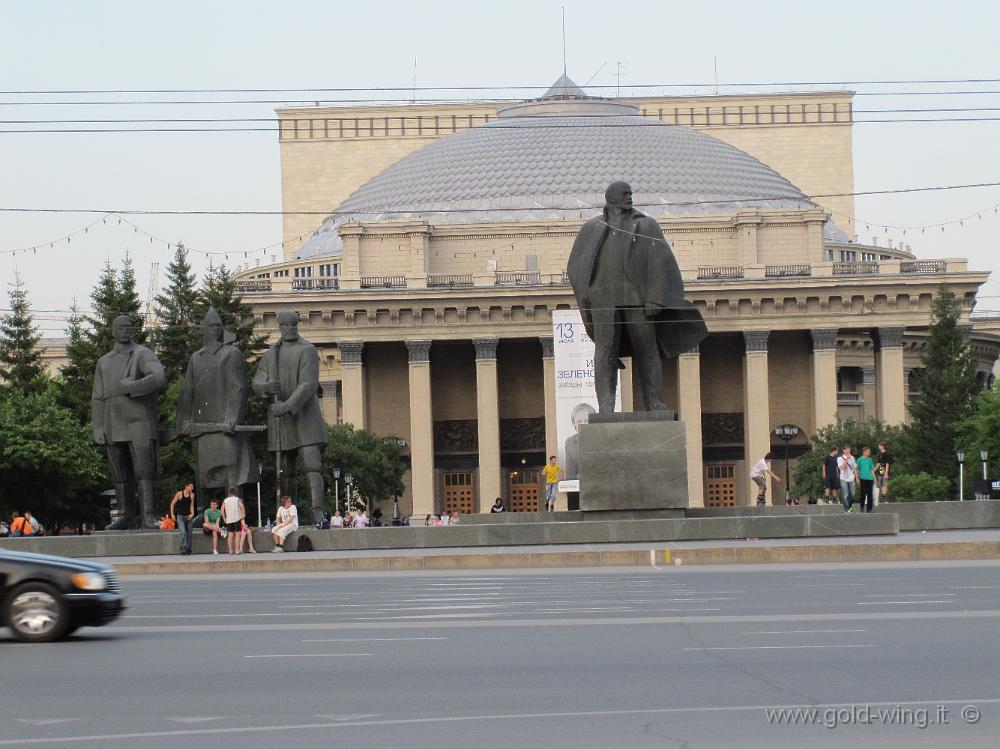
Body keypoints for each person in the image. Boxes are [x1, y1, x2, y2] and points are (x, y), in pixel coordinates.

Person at [567, 181, 707, 414]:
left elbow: (660, 262)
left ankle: (653, 401)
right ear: (611, 197)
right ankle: (606, 406)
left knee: (647, 351)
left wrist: (654, 298)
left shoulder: (646, 225)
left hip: (637, 299)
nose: (629, 197)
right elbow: (576, 265)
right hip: (603, 300)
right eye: (625, 194)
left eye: (630, 194)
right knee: (604, 354)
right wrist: (587, 294)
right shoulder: (591, 228)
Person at [252, 311, 328, 526]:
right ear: (280, 326)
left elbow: (308, 384)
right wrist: (265, 387)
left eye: (294, 324)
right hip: (281, 422)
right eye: (286, 325)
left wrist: (286, 405)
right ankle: (288, 514)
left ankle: (317, 512)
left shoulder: (307, 350)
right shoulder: (270, 356)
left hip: (304, 419)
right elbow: (257, 382)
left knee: (313, 466)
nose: (291, 328)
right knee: (286, 471)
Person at [92, 314, 168, 530]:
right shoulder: (104, 361)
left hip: (139, 422)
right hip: (112, 422)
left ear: (132, 330)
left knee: (145, 471)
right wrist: (98, 426)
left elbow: (159, 377)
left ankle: (149, 516)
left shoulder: (142, 354)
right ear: (113, 331)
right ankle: (124, 516)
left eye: (128, 327)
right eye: (120, 327)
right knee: (119, 473)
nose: (124, 330)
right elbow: (97, 396)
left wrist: (133, 387)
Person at [176, 309, 259, 501]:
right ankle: (203, 511)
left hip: (224, 425)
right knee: (204, 472)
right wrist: (184, 420)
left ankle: (234, 510)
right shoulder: (196, 358)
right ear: (204, 328)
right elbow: (187, 391)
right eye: (211, 326)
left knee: (232, 471)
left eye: (218, 326)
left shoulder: (231, 353)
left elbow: (237, 389)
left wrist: (232, 418)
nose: (215, 329)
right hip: (202, 425)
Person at [563, 402, 595, 481]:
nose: (582, 424)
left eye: (586, 420)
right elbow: (571, 475)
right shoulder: (569, 442)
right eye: (579, 421)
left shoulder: (602, 440)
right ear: (574, 424)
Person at [169, 482, 196, 555]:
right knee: (182, 532)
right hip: (180, 516)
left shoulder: (192, 495)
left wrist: (192, 514)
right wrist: (172, 514)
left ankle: (188, 548)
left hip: (189, 516)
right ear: (186, 487)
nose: (192, 488)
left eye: (192, 486)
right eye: (191, 486)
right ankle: (183, 548)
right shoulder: (179, 494)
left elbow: (191, 506)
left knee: (189, 533)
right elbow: (172, 504)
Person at [221, 488, 245, 555]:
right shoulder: (237, 499)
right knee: (238, 535)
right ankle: (237, 550)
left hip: (229, 520)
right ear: (235, 493)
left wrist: (224, 518)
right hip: (236, 519)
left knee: (230, 535)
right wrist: (243, 514)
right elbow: (242, 506)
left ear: (229, 493)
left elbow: (222, 509)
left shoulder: (225, 500)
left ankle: (230, 550)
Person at [838, 445, 859, 512]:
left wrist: (857, 478)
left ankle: (849, 506)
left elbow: (854, 468)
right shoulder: (839, 458)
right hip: (843, 478)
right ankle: (847, 509)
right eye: (846, 449)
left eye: (849, 449)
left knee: (853, 494)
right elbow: (842, 468)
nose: (848, 450)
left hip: (851, 478)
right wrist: (846, 459)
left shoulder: (852, 458)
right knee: (845, 494)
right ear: (843, 450)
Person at [857, 446, 876, 513]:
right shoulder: (859, 460)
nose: (869, 453)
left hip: (870, 479)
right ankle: (862, 506)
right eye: (868, 451)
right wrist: (858, 478)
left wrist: (874, 478)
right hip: (863, 478)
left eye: (869, 451)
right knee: (863, 493)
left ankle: (869, 509)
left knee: (870, 494)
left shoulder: (870, 459)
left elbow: (872, 470)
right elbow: (857, 470)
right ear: (864, 452)